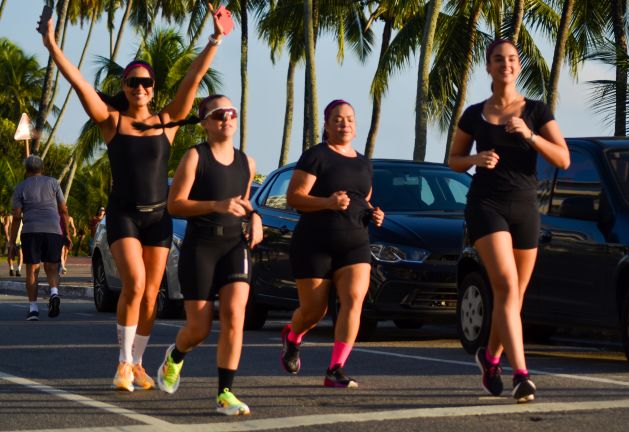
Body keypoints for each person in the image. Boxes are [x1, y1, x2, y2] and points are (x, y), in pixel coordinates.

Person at [38, 4, 227, 392]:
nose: (139, 88)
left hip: (158, 218)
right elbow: (79, 85)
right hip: (123, 215)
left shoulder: (168, 121)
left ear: (153, 89)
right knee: (135, 285)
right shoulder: (112, 122)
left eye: (146, 83)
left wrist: (215, 40)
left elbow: (194, 78)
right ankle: (123, 363)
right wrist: (52, 45)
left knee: (151, 298)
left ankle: (139, 363)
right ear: (124, 87)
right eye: (132, 82)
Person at [448, 39, 570, 403]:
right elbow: (453, 158)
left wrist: (530, 136)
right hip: (486, 204)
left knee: (513, 298)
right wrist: (475, 160)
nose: (506, 64)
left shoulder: (536, 110)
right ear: (488, 67)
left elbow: (563, 158)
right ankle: (521, 374)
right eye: (498, 59)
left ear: (519, 67)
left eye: (512, 59)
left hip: (525, 206)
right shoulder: (474, 114)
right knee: (505, 285)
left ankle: (490, 357)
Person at [155, 95, 262, 416]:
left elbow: (244, 205)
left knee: (234, 314)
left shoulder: (247, 162)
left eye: (231, 113)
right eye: (218, 115)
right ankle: (175, 355)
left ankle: (225, 393)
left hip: (234, 246)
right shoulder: (194, 157)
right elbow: (175, 205)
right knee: (199, 329)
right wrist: (215, 206)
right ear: (204, 123)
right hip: (201, 247)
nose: (226, 119)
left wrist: (254, 218)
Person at [279, 99, 384, 388]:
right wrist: (328, 202)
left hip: (355, 243)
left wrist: (374, 212)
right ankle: (293, 336)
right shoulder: (316, 156)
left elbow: (364, 198)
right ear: (326, 125)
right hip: (315, 242)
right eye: (338, 119)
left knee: (353, 301)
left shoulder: (364, 162)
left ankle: (335, 369)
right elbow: (295, 197)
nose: (345, 123)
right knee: (314, 312)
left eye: (349, 118)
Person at [10, 155, 70, 321]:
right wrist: (67, 234)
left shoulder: (20, 187)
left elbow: (16, 217)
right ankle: (54, 293)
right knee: (52, 267)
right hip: (53, 230)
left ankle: (33, 309)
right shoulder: (53, 183)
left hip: (31, 231)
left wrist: (11, 243)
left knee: (33, 269)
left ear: (26, 170)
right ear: (42, 168)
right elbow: (63, 210)